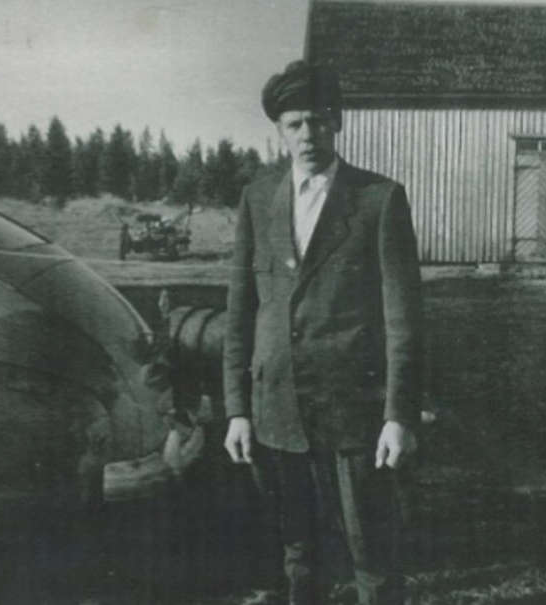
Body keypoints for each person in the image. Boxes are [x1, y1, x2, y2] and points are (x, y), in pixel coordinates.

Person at [223, 60, 423, 605]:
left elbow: (404, 320)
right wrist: (237, 408)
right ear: (279, 131)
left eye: (318, 121)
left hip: (355, 413)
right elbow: (241, 311)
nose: (308, 134)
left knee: (371, 554)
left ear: (336, 123)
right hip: (277, 410)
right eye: (295, 124)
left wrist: (398, 415)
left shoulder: (378, 199)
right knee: (298, 554)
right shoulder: (258, 198)